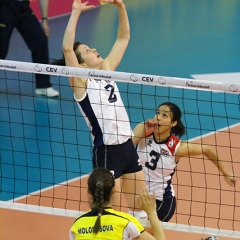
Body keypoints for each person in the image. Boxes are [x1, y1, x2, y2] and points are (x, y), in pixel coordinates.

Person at [51, 0, 147, 220]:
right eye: (87, 51)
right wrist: (75, 13)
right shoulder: (80, 84)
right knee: (104, 215)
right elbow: (67, 48)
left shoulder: (107, 70)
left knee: (141, 210)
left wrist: (121, 7)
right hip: (106, 153)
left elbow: (123, 38)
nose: (94, 49)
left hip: (127, 147)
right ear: (81, 64)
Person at [132, 102, 237, 222]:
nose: (158, 117)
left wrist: (226, 173)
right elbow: (125, 149)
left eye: (164, 115)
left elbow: (207, 149)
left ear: (173, 123)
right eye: (158, 113)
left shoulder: (177, 148)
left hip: (161, 202)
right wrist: (142, 133)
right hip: (140, 196)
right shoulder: (143, 129)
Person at [69, 168, 167, 240]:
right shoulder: (126, 222)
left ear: (89, 191)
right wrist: (152, 212)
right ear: (114, 190)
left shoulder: (77, 224)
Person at [0, 0, 59, 97]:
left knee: (40, 41)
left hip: (23, 8)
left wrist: (44, 19)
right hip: (4, 9)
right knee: (1, 51)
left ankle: (43, 86)